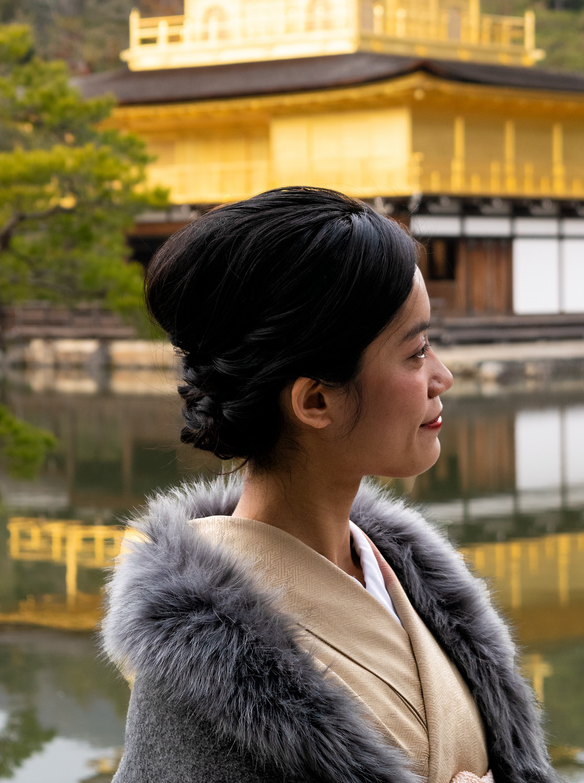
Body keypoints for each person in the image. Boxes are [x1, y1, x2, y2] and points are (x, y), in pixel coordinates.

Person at [103, 188, 558, 783]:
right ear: (316, 400)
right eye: (416, 351)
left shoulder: (407, 577)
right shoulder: (203, 663)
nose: (442, 376)